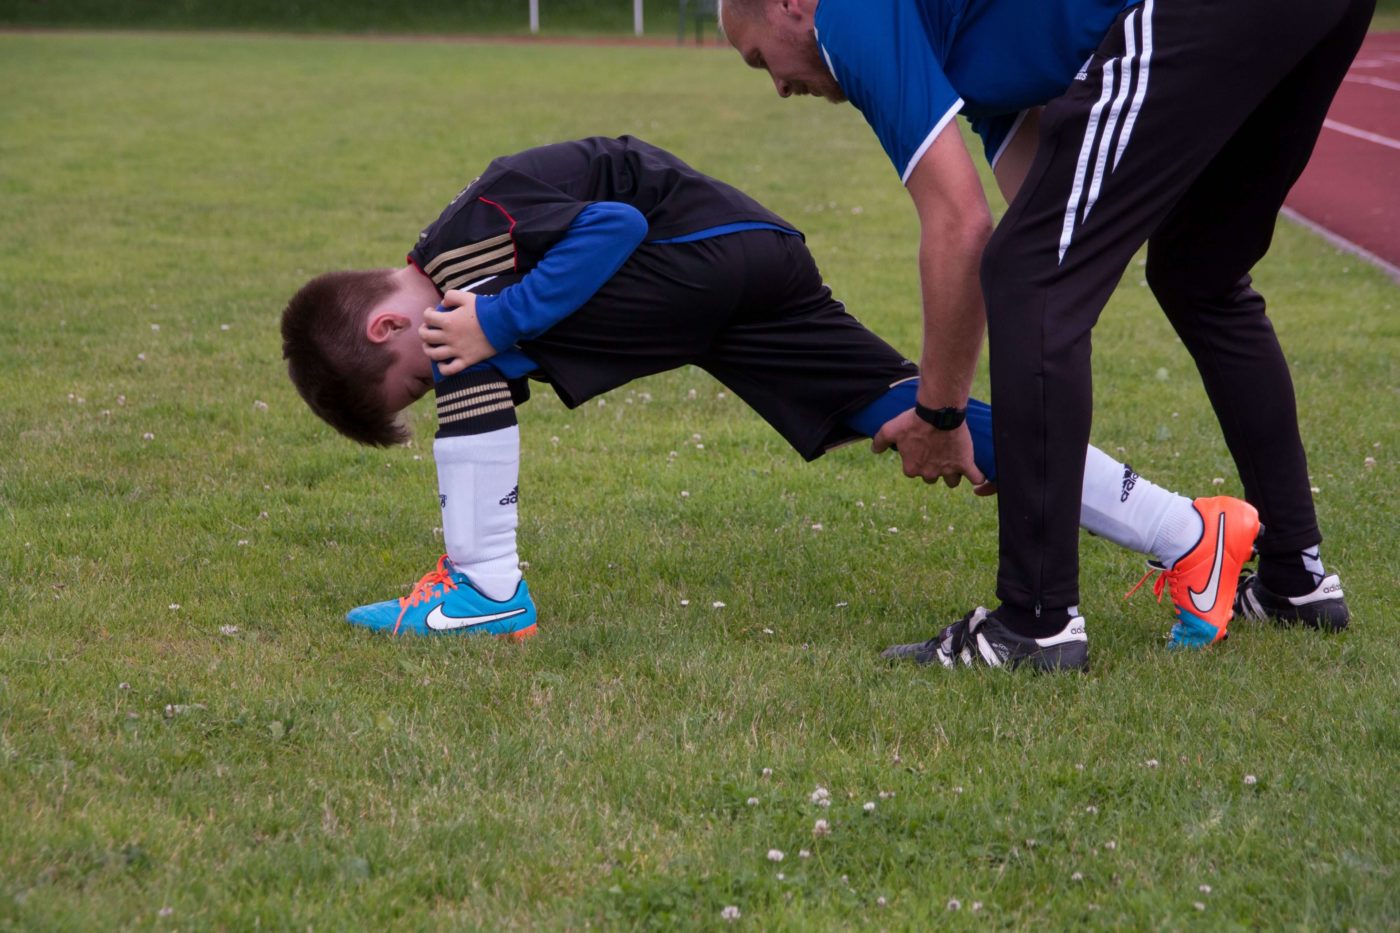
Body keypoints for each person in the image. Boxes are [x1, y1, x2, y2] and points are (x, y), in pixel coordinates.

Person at [281, 135, 1252, 667]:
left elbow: (612, 224)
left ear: (381, 330)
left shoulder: (460, 245)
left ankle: (483, 591)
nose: (429, 370)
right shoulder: (469, 253)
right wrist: (506, 330)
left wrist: (493, 327)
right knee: (914, 414)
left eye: (410, 376)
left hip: (698, 258)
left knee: (473, 338)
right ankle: (1189, 531)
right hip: (747, 271)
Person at [719, 0, 1361, 669]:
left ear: (790, 4)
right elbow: (1056, 220)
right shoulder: (976, 51)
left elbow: (965, 229)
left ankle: (1036, 622)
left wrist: (940, 415)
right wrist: (1034, 448)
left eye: (761, 58)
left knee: (1029, 280)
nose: (779, 86)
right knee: (1200, 271)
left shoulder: (845, 14)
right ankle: (1296, 577)